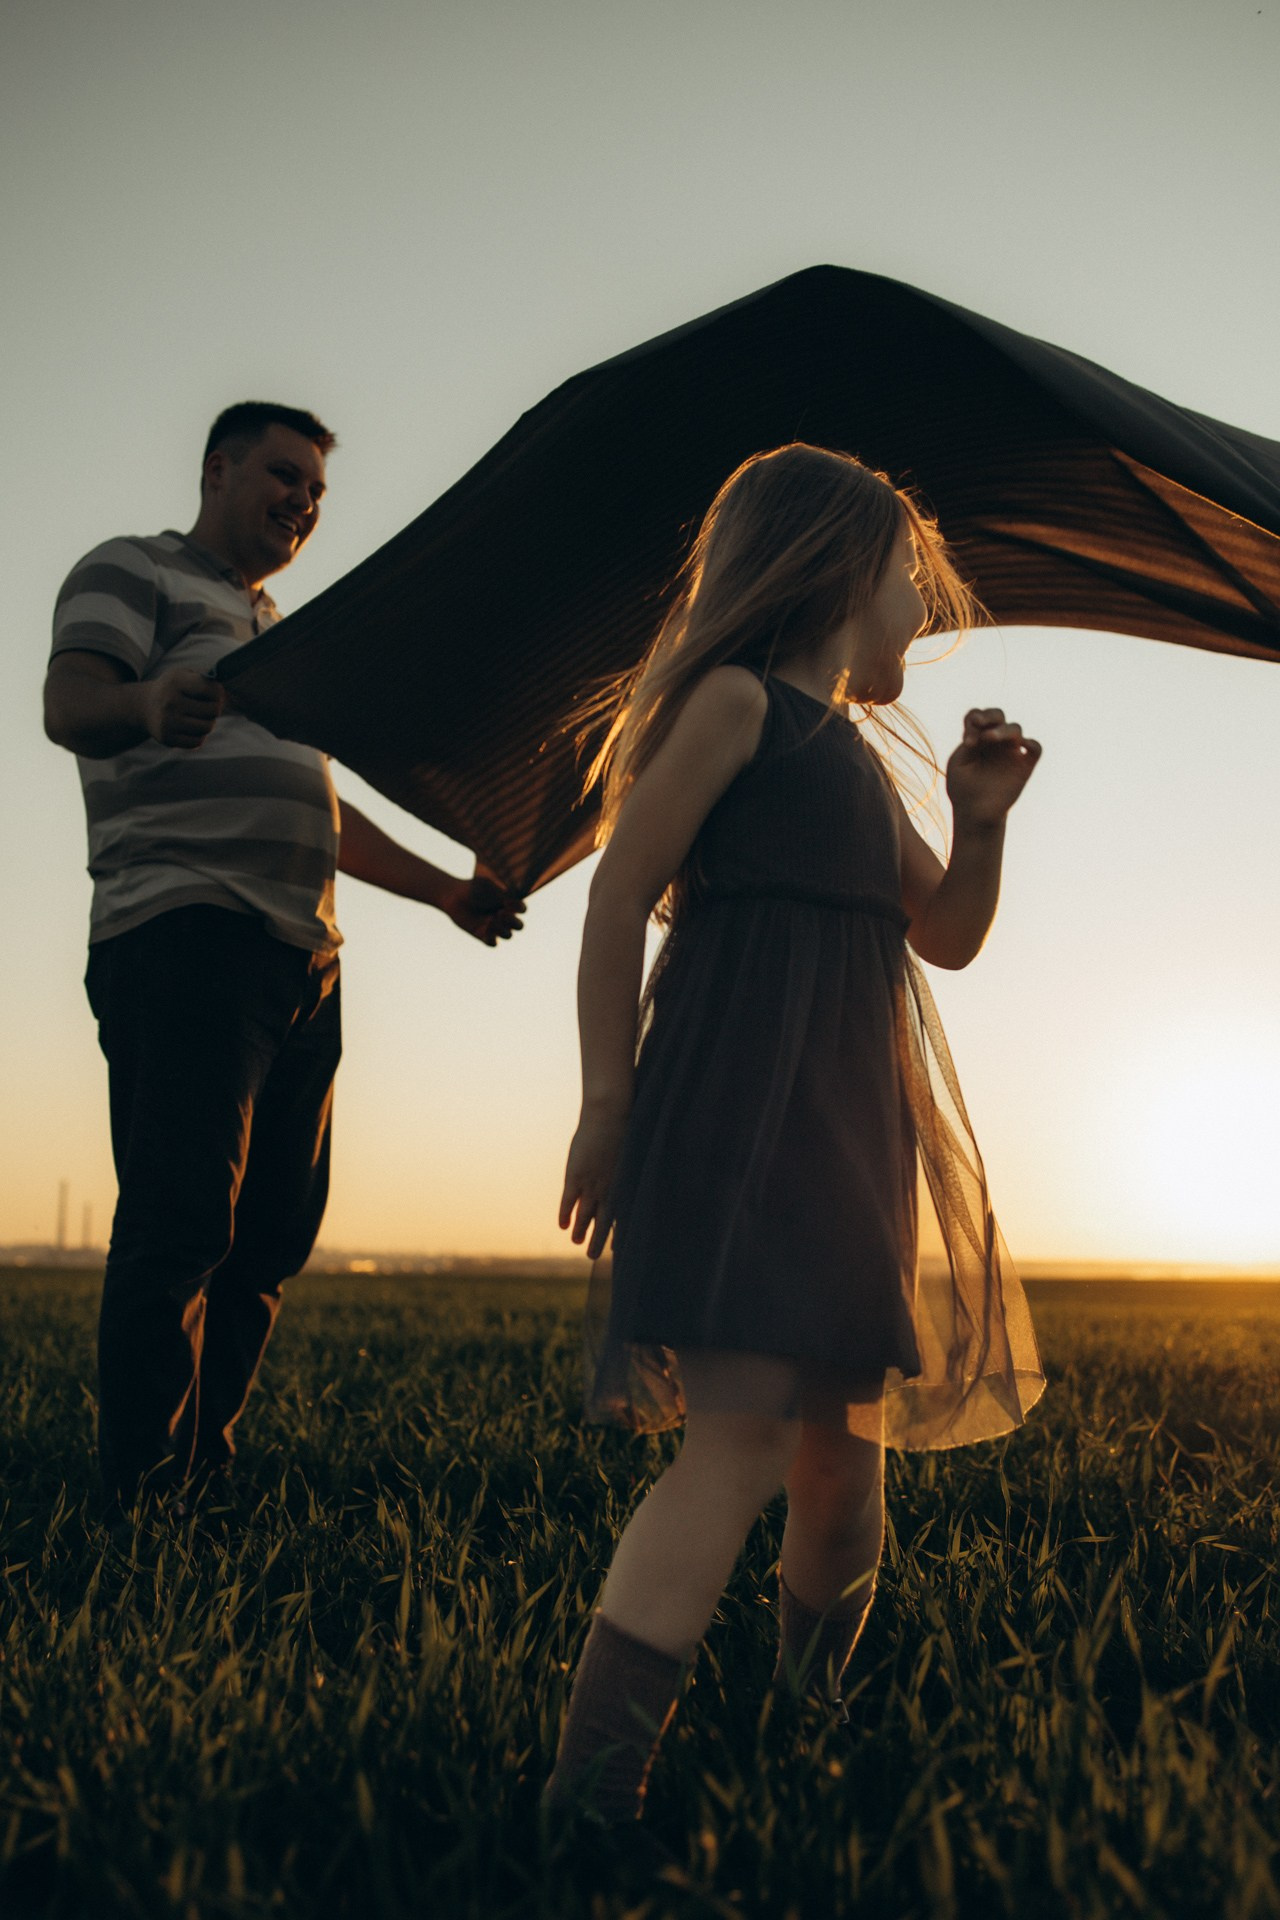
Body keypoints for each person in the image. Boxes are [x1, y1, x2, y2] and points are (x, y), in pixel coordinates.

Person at [549, 443, 1045, 1828]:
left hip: (843, 1136)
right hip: (735, 1112)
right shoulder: (736, 705)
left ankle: (806, 1730)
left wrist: (980, 822)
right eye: (907, 578)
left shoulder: (855, 760)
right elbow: (615, 899)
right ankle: (590, 1797)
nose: (921, 609)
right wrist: (607, 1104)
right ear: (836, 570)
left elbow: (946, 935)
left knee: (841, 1472)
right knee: (745, 1439)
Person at [44, 401, 524, 1512]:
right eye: (283, 475)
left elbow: (322, 811)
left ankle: (202, 1475)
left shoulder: (277, 629)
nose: (302, 503)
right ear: (217, 469)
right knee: (180, 1226)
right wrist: (145, 701)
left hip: (303, 961)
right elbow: (68, 704)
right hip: (186, 932)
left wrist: (447, 891)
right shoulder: (133, 570)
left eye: (315, 491)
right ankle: (143, 1500)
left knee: (267, 1241)